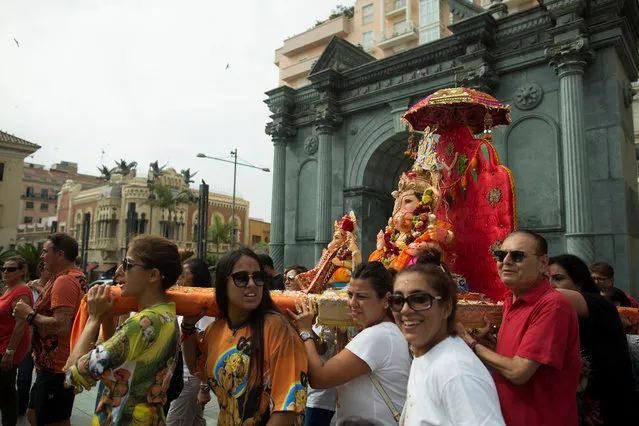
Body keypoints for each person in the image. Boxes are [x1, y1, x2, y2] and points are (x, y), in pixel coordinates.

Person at [456, 230, 581, 426]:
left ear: (542, 263)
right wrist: (486, 345)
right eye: (500, 255)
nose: (506, 261)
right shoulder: (510, 300)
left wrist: (471, 343)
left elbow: (519, 372)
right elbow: (513, 358)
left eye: (517, 256)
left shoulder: (553, 305)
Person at [182, 248, 307, 426]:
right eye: (241, 278)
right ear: (223, 284)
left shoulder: (277, 328)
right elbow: (197, 367)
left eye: (258, 277)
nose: (252, 284)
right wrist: (187, 327)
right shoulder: (215, 330)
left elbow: (288, 406)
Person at [64, 235, 181, 425]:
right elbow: (118, 360)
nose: (120, 270)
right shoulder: (167, 314)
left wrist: (94, 318)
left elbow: (73, 372)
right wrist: (108, 317)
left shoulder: (142, 324)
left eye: (128, 264)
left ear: (152, 275)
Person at [289, 262, 411, 426]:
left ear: (386, 300)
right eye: (350, 295)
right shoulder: (384, 332)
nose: (352, 303)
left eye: (361, 297)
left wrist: (305, 332)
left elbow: (319, 378)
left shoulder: (378, 336)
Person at [390, 263, 505, 425]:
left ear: (446, 308)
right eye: (397, 300)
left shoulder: (457, 372)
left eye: (420, 299)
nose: (405, 310)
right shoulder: (424, 352)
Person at [548, 254, 638, 424]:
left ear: (580, 283)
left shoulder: (599, 305)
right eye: (546, 278)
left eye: (558, 278)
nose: (550, 285)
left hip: (610, 408)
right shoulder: (551, 315)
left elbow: (555, 296)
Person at [12, 233, 86, 426]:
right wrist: (41, 288)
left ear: (60, 254)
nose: (42, 256)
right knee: (34, 413)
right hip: (52, 365)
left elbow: (62, 326)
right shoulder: (70, 277)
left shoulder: (65, 281)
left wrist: (29, 314)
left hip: (56, 367)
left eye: (46, 252)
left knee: (52, 421)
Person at [166, 258, 215, 426]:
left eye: (183, 275)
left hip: (191, 377)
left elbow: (205, 350)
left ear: (197, 278)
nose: (179, 279)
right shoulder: (187, 303)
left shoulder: (203, 308)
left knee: (175, 421)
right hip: (182, 373)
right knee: (194, 420)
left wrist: (204, 386)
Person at [1, 256, 34, 426]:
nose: (5, 272)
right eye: (4, 269)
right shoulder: (8, 288)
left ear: (22, 271)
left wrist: (9, 352)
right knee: (7, 393)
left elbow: (21, 324)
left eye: (11, 269)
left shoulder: (21, 292)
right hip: (3, 344)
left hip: (7, 348)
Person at [17, 261, 49, 417]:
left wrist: (41, 289)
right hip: (28, 335)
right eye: (47, 269)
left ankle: (35, 405)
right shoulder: (29, 288)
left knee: (41, 375)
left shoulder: (54, 287)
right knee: (24, 373)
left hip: (45, 338)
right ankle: (21, 405)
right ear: (41, 271)